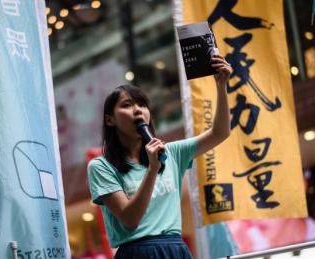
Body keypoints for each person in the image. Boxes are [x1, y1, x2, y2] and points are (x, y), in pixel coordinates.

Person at [87, 54, 233, 259]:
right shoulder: (101, 166)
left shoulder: (171, 153)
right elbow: (130, 219)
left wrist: (221, 86)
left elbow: (220, 132)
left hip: (175, 249)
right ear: (110, 120)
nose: (138, 109)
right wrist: (153, 169)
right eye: (127, 105)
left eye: (142, 104)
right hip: (136, 253)